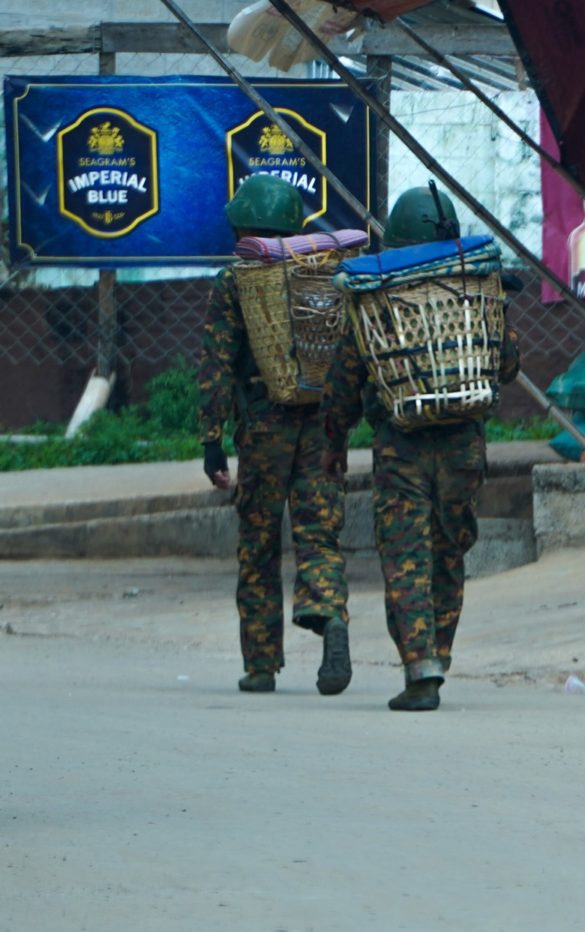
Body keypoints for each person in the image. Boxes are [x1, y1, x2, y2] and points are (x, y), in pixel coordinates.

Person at [320, 186, 521, 712]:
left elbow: (345, 379)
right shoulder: (475, 289)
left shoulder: (376, 297)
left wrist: (334, 442)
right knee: (448, 552)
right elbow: (506, 365)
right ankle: (439, 654)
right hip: (463, 446)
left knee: (405, 556)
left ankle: (420, 666)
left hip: (400, 448)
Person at [197, 173, 351, 696]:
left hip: (263, 428)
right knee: (319, 534)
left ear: (243, 228)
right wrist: (342, 424)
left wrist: (211, 439)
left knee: (259, 544)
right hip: (321, 424)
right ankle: (330, 615)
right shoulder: (324, 273)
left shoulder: (235, 281)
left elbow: (216, 362)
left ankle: (261, 664)